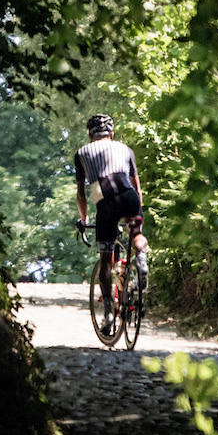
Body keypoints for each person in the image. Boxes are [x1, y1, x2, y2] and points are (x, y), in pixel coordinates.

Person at [74, 113, 149, 321]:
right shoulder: (125, 149)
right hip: (129, 197)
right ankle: (141, 260)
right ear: (112, 133)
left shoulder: (81, 153)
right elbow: (137, 188)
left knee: (106, 260)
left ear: (90, 135)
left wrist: (84, 218)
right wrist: (137, 213)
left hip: (105, 201)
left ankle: (108, 310)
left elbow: (81, 194)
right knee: (136, 235)